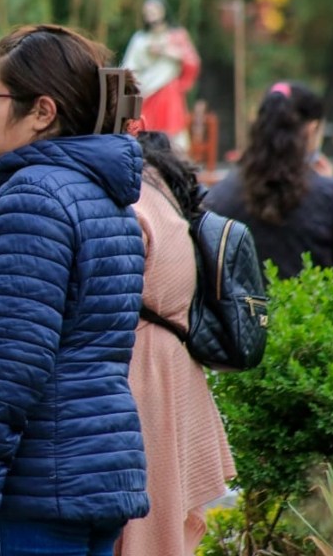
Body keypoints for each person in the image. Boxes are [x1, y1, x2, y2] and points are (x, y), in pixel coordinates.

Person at [0, 24, 150, 556]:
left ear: (42, 112)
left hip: (33, 486)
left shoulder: (31, 200)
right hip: (91, 472)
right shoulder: (97, 195)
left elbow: (12, 356)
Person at [114, 132, 236, 556]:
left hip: (142, 372)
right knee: (164, 521)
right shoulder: (163, 196)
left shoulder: (133, 202)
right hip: (171, 365)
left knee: (146, 523)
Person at [203, 82, 333, 279]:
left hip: (245, 309)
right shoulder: (326, 193)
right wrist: (332, 190)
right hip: (310, 308)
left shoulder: (221, 194)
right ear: (312, 129)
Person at [121, 0, 201, 152]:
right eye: (148, 11)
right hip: (145, 92)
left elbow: (192, 61)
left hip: (168, 91)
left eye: (154, 10)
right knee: (145, 134)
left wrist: (166, 52)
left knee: (172, 138)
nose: (151, 14)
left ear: (163, 11)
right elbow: (129, 68)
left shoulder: (176, 36)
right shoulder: (140, 39)